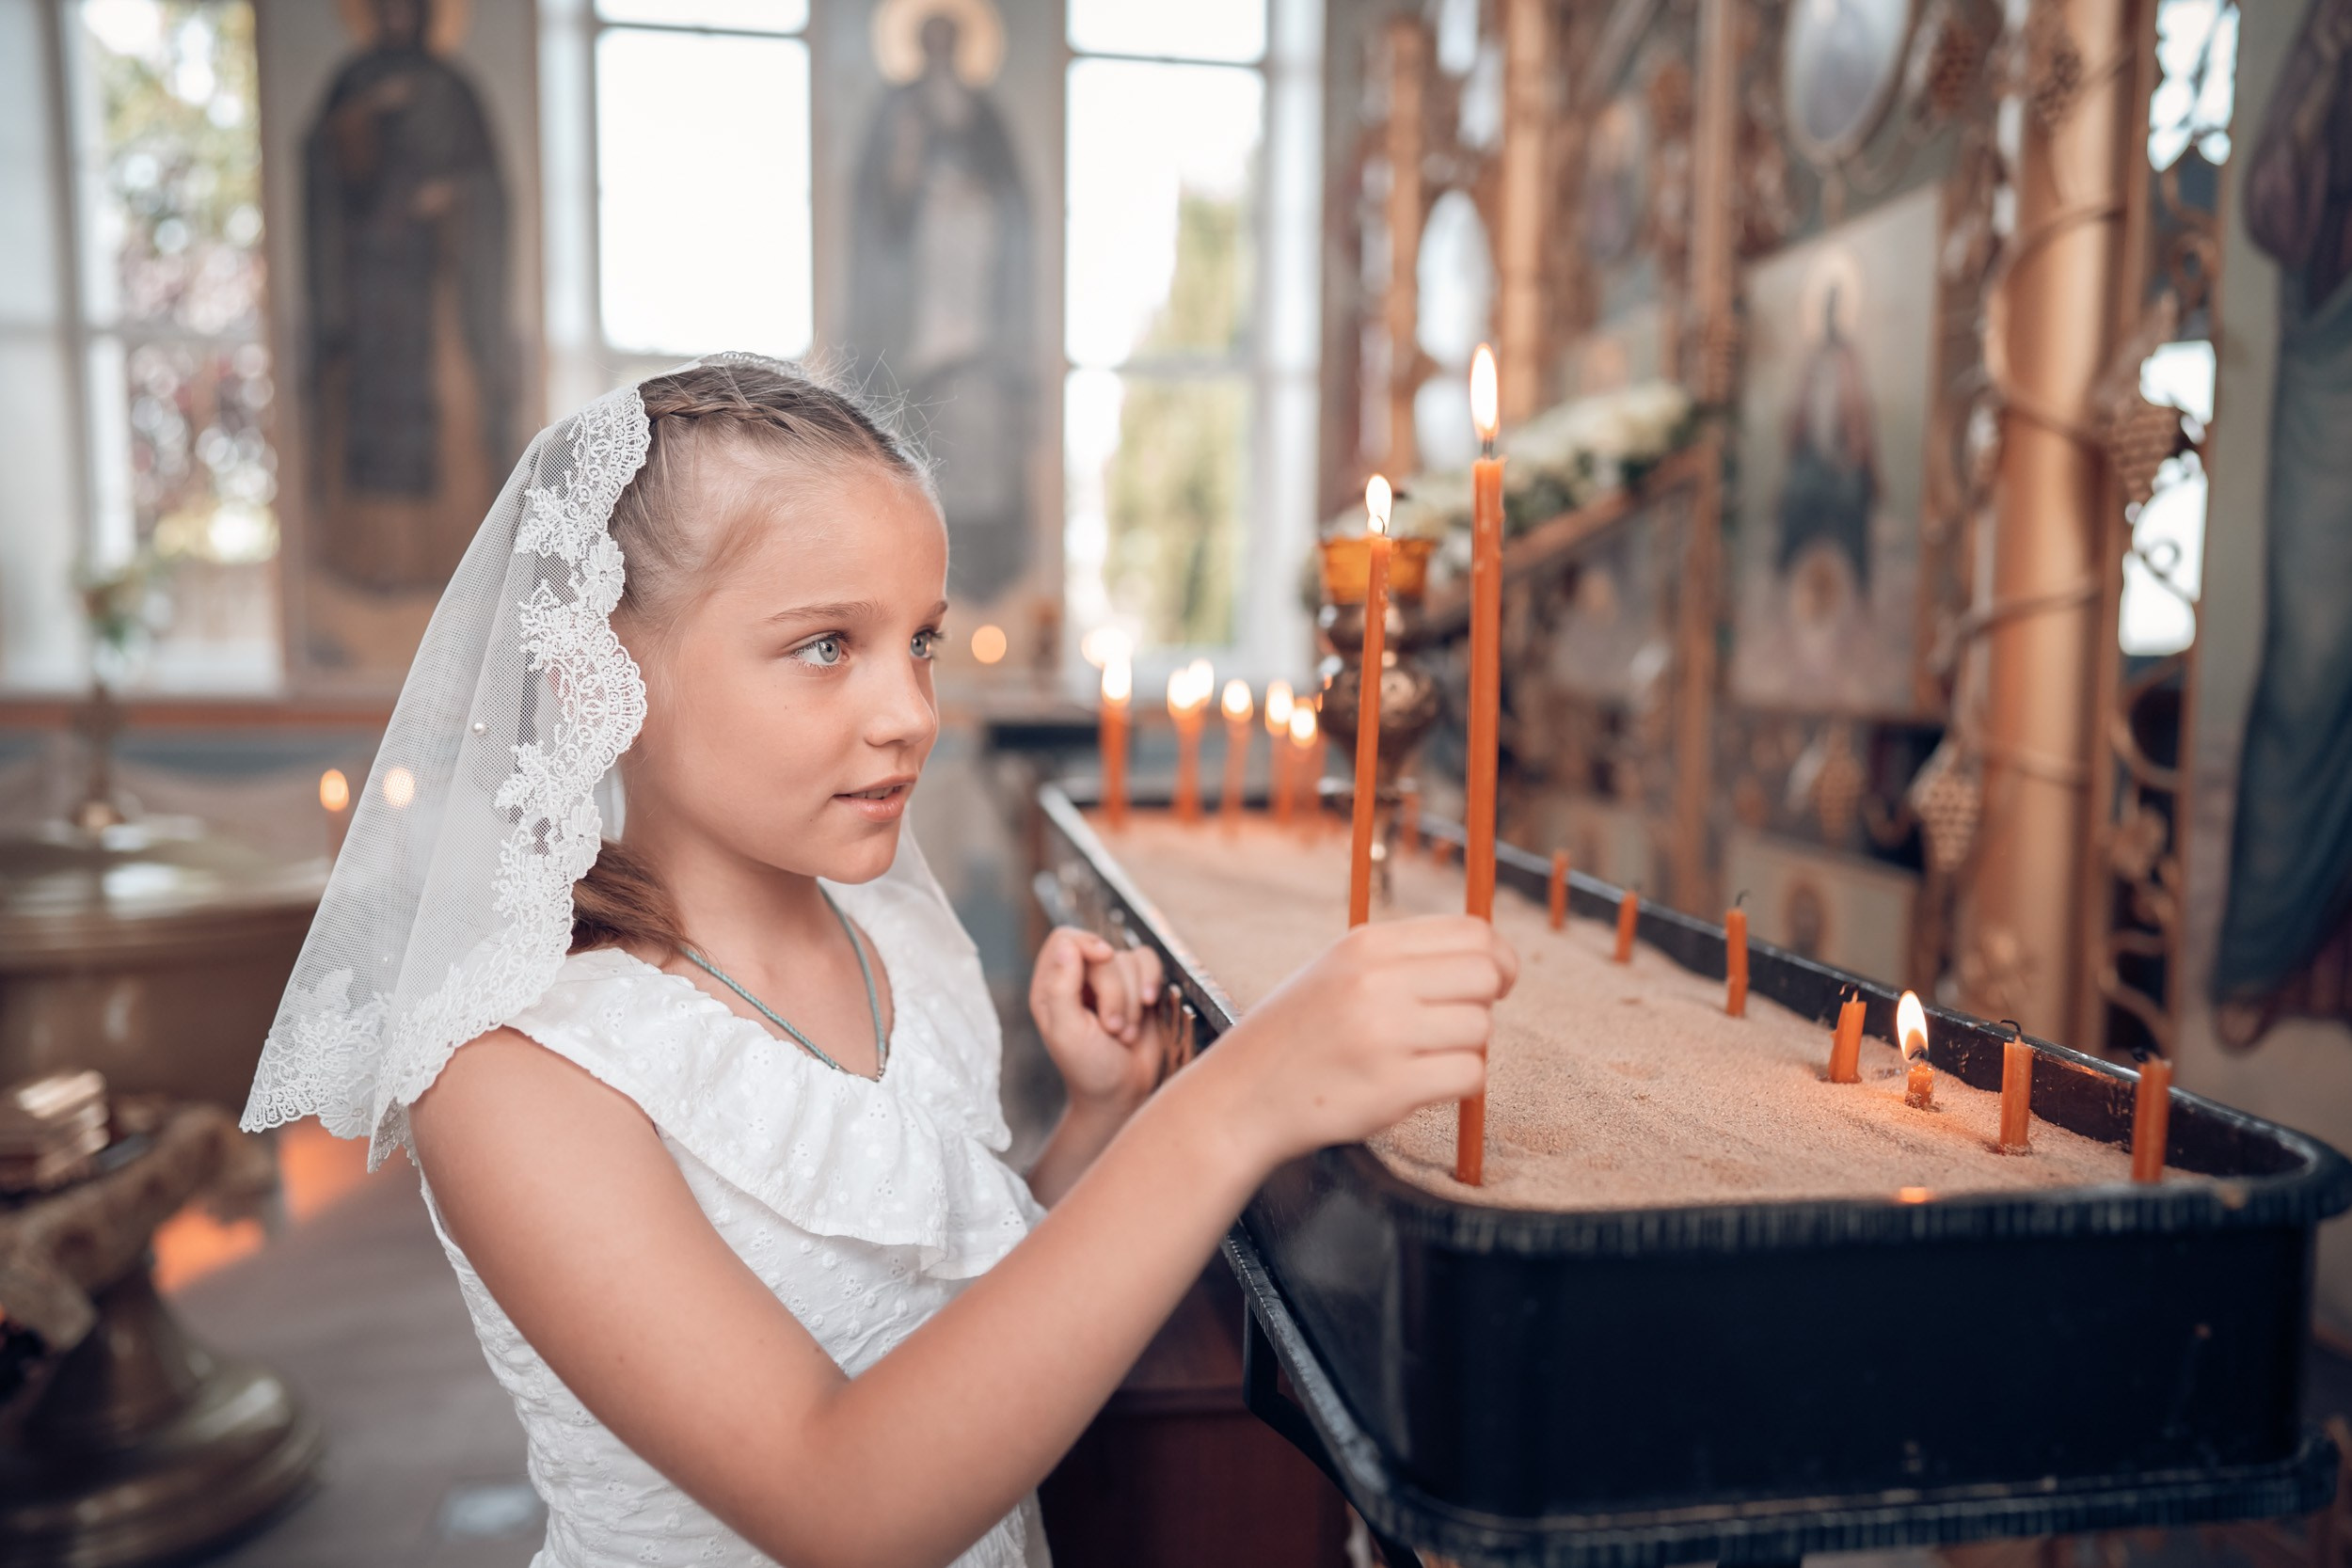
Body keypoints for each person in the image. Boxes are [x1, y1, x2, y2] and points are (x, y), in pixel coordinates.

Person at [242, 355, 1513, 1567]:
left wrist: (1104, 1120)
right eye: (825, 647)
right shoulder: (516, 1070)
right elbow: (844, 1502)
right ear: (598, 675)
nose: (909, 713)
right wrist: (1238, 1101)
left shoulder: (889, 931)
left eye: (921, 642)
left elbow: (958, 1324)